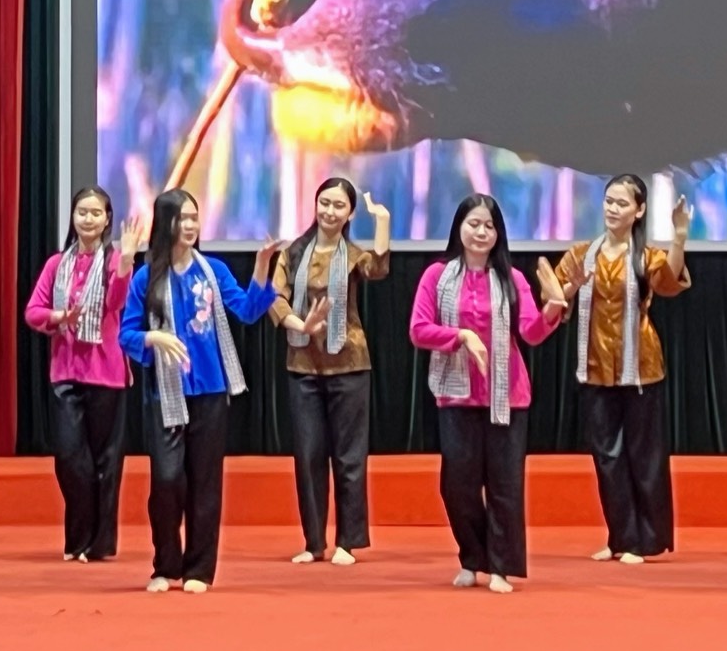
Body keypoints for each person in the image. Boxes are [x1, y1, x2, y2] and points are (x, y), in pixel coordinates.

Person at [117, 187, 280, 593]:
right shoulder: (146, 277)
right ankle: (165, 565)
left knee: (206, 483)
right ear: (165, 223)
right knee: (167, 480)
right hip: (165, 393)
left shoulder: (214, 271)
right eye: (182, 218)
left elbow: (248, 310)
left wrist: (262, 267)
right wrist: (154, 338)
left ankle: (199, 570)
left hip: (210, 390)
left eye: (194, 217)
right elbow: (126, 334)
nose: (190, 225)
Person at [409, 194, 569, 595]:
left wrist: (553, 308)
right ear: (459, 228)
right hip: (456, 396)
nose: (481, 232)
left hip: (507, 396)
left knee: (505, 486)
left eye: (489, 226)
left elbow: (531, 332)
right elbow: (419, 329)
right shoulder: (437, 276)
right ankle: (472, 557)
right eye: (474, 224)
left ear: (498, 234)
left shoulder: (512, 279)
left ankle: (500, 566)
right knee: (457, 487)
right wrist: (461, 336)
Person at [552, 174, 690, 565]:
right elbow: (555, 300)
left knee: (644, 455)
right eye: (609, 201)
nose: (613, 209)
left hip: (641, 367)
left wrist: (679, 237)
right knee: (606, 457)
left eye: (622, 203)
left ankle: (645, 541)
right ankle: (620, 537)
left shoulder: (647, 256)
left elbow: (669, 283)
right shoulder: (581, 254)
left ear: (639, 210)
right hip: (595, 365)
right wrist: (569, 287)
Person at [267, 176, 392, 565]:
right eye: (325, 202)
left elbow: (379, 268)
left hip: (349, 363)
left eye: (339, 205)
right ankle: (313, 542)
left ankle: (348, 542)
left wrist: (383, 222)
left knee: (349, 457)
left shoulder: (352, 254)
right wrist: (299, 325)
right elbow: (275, 297)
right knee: (308, 456)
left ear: (350, 213)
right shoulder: (293, 253)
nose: (330, 211)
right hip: (303, 364)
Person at [25, 185, 142, 563]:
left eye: (96, 213)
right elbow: (33, 311)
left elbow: (117, 303)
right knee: (69, 458)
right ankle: (77, 537)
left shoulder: (114, 261)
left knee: (106, 461)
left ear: (107, 220)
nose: (88, 219)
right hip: (65, 372)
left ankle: (99, 543)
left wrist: (126, 264)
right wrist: (59, 316)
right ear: (72, 217)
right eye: (82, 212)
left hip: (106, 371)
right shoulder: (56, 264)